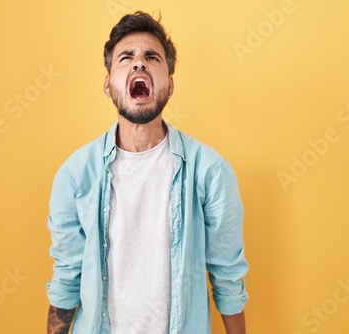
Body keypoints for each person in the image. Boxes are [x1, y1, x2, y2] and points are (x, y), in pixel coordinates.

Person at [46, 11, 248, 334]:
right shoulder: (74, 177)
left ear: (169, 84)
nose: (139, 63)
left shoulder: (210, 173)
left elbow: (227, 278)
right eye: (126, 58)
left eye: (151, 57)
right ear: (108, 85)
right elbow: (66, 279)